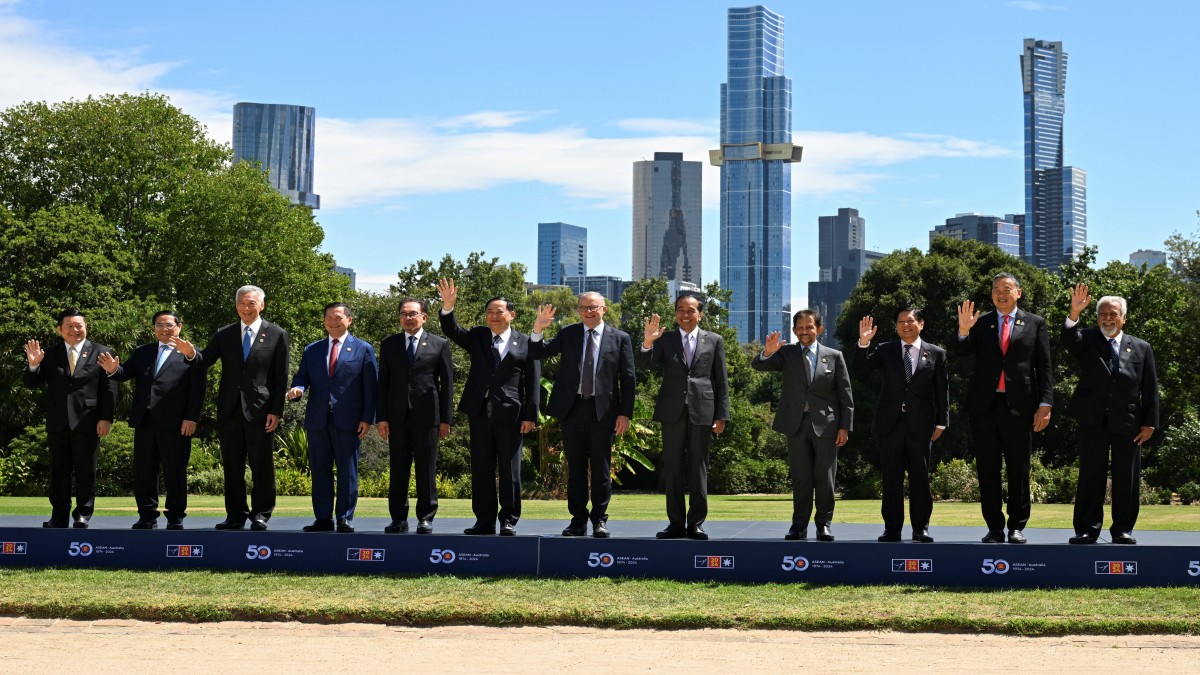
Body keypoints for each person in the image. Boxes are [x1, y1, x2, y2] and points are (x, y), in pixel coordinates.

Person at [175, 285, 290, 531]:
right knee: (232, 464)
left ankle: (261, 514)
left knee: (262, 464)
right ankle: (235, 515)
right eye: (241, 303)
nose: (245, 308)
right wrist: (190, 354)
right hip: (229, 409)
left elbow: (281, 377)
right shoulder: (224, 334)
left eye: (251, 303)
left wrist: (276, 411)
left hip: (261, 410)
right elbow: (204, 361)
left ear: (262, 305)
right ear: (236, 305)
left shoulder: (277, 334)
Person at [956, 272, 1053, 544]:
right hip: (984, 407)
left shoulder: (1035, 323)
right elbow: (962, 354)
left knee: (1018, 469)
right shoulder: (981, 323)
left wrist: (1045, 403)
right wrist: (964, 331)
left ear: (1018, 293)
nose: (1001, 292)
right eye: (996, 288)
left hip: (1021, 407)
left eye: (1007, 288)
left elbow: (1044, 367)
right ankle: (994, 527)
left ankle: (1016, 526)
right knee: (987, 469)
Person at [438, 279, 539, 536]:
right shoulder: (478, 336)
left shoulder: (526, 342)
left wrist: (530, 414)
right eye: (490, 312)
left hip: (511, 414)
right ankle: (483, 521)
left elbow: (533, 383)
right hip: (480, 411)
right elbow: (452, 330)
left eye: (499, 311)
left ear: (512, 315)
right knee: (481, 469)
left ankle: (509, 520)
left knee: (510, 470)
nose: (494, 316)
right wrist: (448, 306)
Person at [530, 292, 636, 539]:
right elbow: (538, 353)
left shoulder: (620, 338)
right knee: (575, 469)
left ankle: (599, 520)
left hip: (604, 411)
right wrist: (538, 329)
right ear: (578, 310)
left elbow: (628, 379)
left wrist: (625, 414)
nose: (588, 311)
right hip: (572, 409)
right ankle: (577, 521)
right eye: (583, 308)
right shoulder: (568, 333)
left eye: (593, 307)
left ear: (604, 309)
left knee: (601, 469)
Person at [1062, 284, 1158, 545]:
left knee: (1126, 477)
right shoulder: (1088, 339)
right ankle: (1086, 529)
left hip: (1128, 423)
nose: (1107, 318)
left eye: (1113, 314)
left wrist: (1150, 423)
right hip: (1092, 420)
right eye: (1103, 313)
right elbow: (1068, 339)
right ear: (1096, 318)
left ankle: (1123, 529)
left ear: (1124, 318)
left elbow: (1150, 389)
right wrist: (1074, 311)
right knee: (1090, 475)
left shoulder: (1141, 347)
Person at [751, 309, 853, 541]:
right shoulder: (785, 354)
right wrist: (767, 352)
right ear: (794, 330)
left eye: (809, 327)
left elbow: (845, 395)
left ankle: (823, 524)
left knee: (825, 477)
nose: (804, 332)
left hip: (827, 425)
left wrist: (844, 427)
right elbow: (759, 365)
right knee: (801, 477)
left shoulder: (834, 356)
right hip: (795, 424)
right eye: (800, 328)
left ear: (819, 329)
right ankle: (799, 526)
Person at [97, 311, 204, 530]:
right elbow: (124, 372)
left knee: (175, 471)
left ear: (179, 327)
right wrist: (112, 370)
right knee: (144, 471)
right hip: (145, 421)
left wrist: (191, 417)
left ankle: (175, 517)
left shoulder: (190, 353)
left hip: (176, 423)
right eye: (159, 325)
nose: (164, 329)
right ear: (153, 328)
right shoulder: (143, 352)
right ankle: (147, 515)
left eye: (169, 325)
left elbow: (198, 389)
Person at [637, 292, 729, 540]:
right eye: (680, 310)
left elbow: (721, 380)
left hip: (704, 412)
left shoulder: (715, 340)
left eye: (690, 310)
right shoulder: (664, 340)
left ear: (700, 314)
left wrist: (722, 415)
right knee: (673, 469)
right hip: (672, 412)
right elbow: (646, 364)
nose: (685, 315)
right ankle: (676, 523)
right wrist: (647, 342)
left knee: (699, 468)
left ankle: (696, 523)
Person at [855, 309, 948, 543]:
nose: (905, 325)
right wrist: (863, 343)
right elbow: (861, 370)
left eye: (910, 321)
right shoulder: (885, 350)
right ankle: (892, 529)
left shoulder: (936, 353)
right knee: (891, 478)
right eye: (900, 322)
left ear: (921, 324)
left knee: (920, 478)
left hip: (921, 425)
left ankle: (921, 529)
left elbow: (941, 390)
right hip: (890, 425)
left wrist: (942, 422)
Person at [286, 302, 377, 534]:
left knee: (347, 472)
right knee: (320, 471)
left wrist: (368, 418)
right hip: (318, 420)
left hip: (349, 421)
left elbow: (371, 387)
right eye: (328, 318)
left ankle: (344, 518)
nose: (333, 322)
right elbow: (301, 377)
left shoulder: (363, 348)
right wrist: (297, 389)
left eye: (338, 317)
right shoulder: (312, 350)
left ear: (349, 320)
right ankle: (323, 519)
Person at [23, 309, 117, 529]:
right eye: (70, 326)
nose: (75, 330)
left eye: (79, 326)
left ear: (86, 327)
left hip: (88, 420)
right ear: (60, 329)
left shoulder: (101, 352)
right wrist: (34, 365)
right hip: (58, 421)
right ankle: (59, 516)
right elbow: (31, 383)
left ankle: (82, 514)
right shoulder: (50, 354)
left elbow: (110, 388)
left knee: (86, 470)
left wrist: (106, 418)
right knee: (59, 470)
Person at [376, 298, 453, 534]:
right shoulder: (389, 344)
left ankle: (426, 517)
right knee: (398, 469)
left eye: (413, 314)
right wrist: (382, 417)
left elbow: (447, 385)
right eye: (403, 314)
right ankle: (398, 518)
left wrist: (445, 420)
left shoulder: (440, 344)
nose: (408, 318)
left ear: (424, 317)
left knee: (426, 469)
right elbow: (383, 384)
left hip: (428, 417)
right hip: (397, 417)